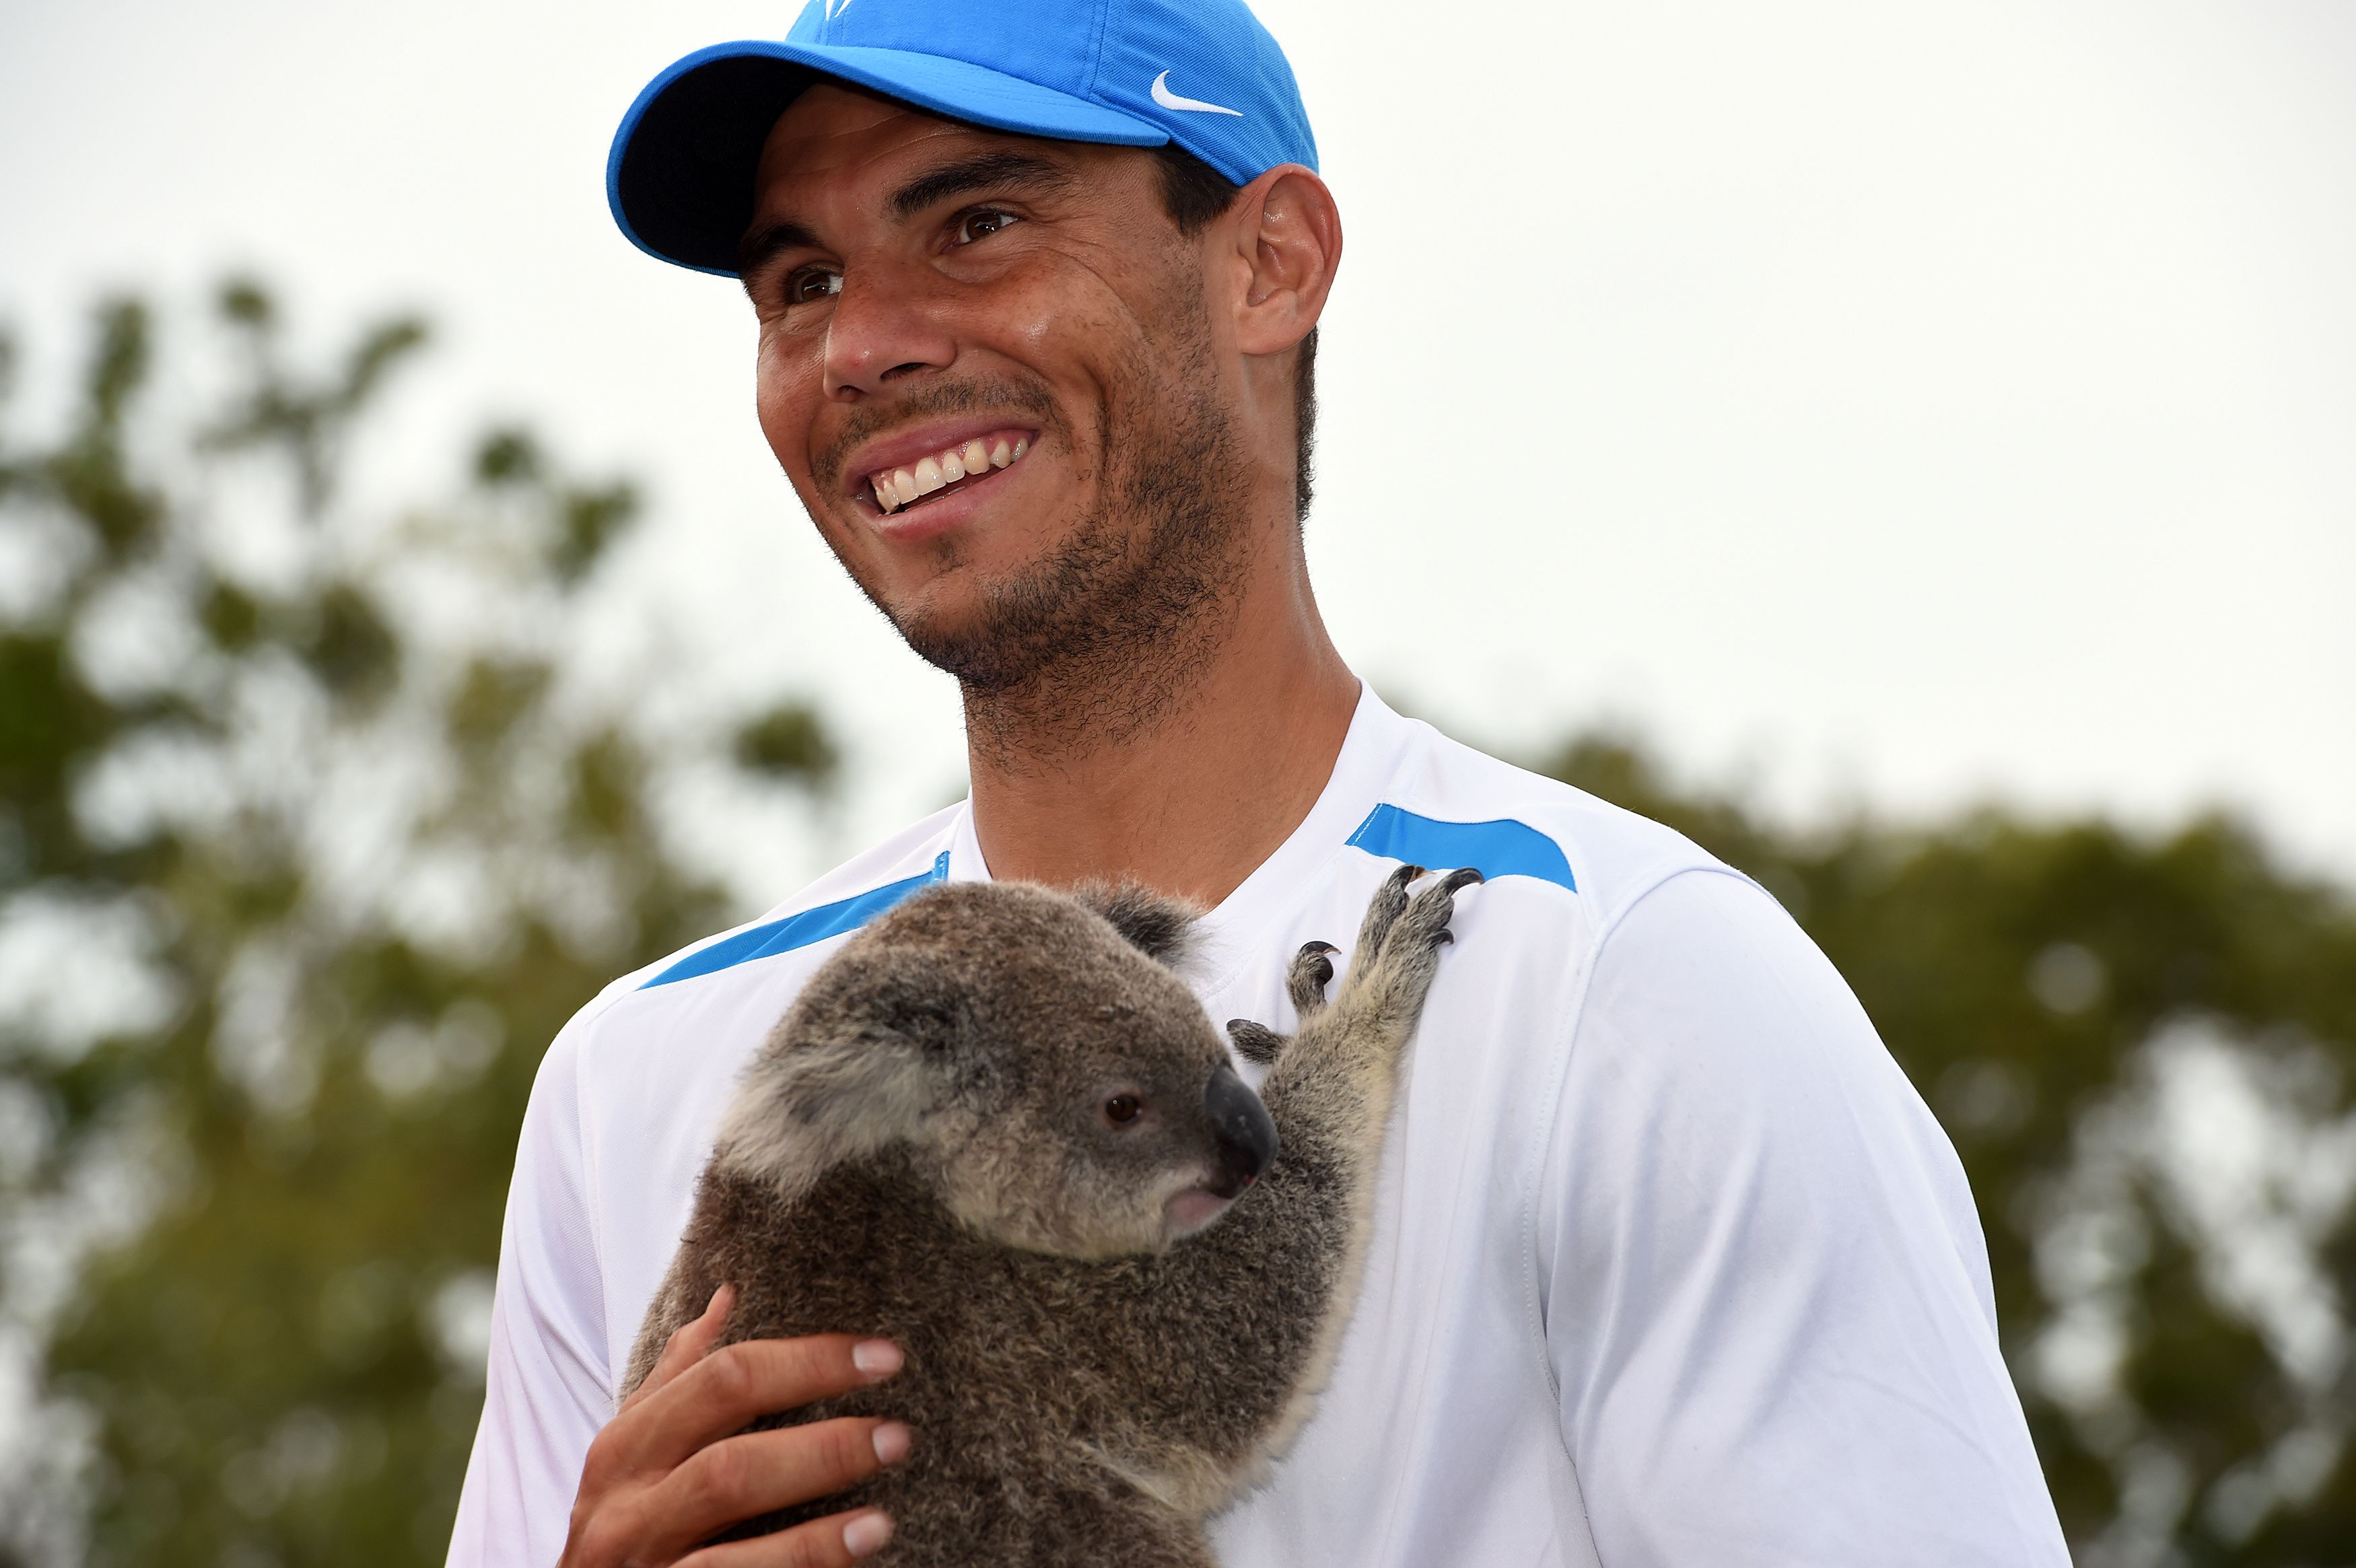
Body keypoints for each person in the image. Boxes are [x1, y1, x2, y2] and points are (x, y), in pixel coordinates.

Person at [448, 1, 2072, 1563]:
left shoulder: (1627, 987)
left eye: (978, 224)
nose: (861, 346)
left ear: (1269, 264)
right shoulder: (639, 1076)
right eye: (799, 279)